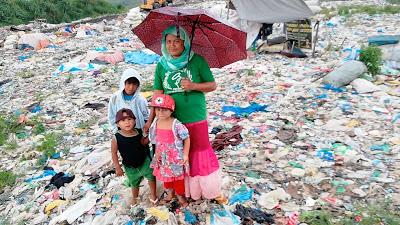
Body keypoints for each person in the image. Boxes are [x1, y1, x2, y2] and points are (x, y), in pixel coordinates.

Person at [144, 25, 225, 203]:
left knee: (199, 150)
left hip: (195, 116)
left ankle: (206, 190)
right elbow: (157, 95)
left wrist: (193, 86)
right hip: (171, 120)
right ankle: (184, 191)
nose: (172, 45)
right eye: (169, 41)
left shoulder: (197, 61)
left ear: (185, 43)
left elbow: (212, 85)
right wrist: (151, 121)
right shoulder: (161, 65)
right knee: (177, 154)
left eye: (177, 42)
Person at [148, 94, 190, 207]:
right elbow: (155, 140)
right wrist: (156, 155)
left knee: (178, 178)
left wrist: (185, 155)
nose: (160, 113)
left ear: (171, 110)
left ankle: (180, 195)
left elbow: (186, 138)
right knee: (166, 177)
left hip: (175, 157)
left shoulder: (176, 124)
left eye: (164, 110)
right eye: (158, 109)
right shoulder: (156, 123)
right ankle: (170, 193)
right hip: (162, 156)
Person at [111, 108, 157, 206]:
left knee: (151, 178)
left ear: (135, 121)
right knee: (134, 183)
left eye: (129, 119)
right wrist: (118, 167)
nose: (127, 122)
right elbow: (114, 153)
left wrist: (149, 136)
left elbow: (143, 143)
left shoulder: (138, 132)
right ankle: (135, 198)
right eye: (123, 120)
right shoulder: (116, 138)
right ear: (118, 124)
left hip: (145, 161)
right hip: (130, 166)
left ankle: (153, 194)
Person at [108, 68, 149, 133]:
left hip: (138, 133)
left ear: (138, 86)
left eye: (134, 84)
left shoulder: (140, 100)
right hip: (121, 133)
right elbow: (112, 116)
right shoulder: (115, 98)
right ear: (123, 83)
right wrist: (116, 131)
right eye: (128, 83)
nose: (131, 87)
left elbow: (146, 117)